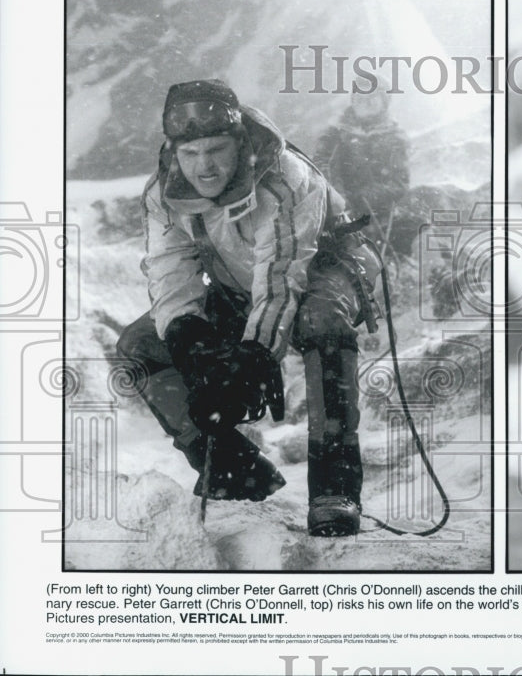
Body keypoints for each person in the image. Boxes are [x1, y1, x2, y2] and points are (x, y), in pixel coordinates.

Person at [117, 79, 382, 537]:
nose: (205, 165)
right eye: (191, 153)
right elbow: (169, 272)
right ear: (173, 151)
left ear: (239, 142)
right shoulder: (162, 194)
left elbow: (282, 277)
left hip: (324, 267)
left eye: (216, 149)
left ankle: (334, 489)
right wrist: (190, 342)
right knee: (141, 344)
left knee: (322, 321)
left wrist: (252, 359)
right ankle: (233, 470)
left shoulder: (286, 178)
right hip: (238, 280)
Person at [313, 84, 411, 244]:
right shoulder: (335, 134)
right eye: (359, 98)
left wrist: (363, 198)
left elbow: (399, 184)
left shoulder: (394, 139)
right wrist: (338, 198)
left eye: (372, 99)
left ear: (384, 103)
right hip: (334, 212)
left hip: (379, 217)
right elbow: (320, 167)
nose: (364, 103)